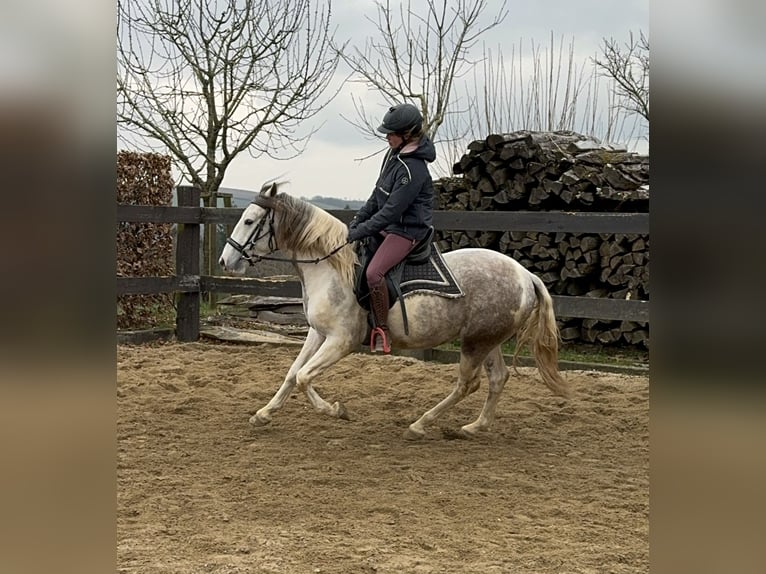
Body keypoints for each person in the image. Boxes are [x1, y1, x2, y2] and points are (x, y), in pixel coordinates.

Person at [346, 103, 436, 354]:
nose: (386, 137)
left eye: (391, 133)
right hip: (390, 226)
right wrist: (357, 220)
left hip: (407, 231)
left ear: (408, 133)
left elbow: (390, 212)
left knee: (373, 273)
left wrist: (360, 230)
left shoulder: (413, 169)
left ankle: (382, 331)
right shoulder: (393, 156)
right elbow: (377, 196)